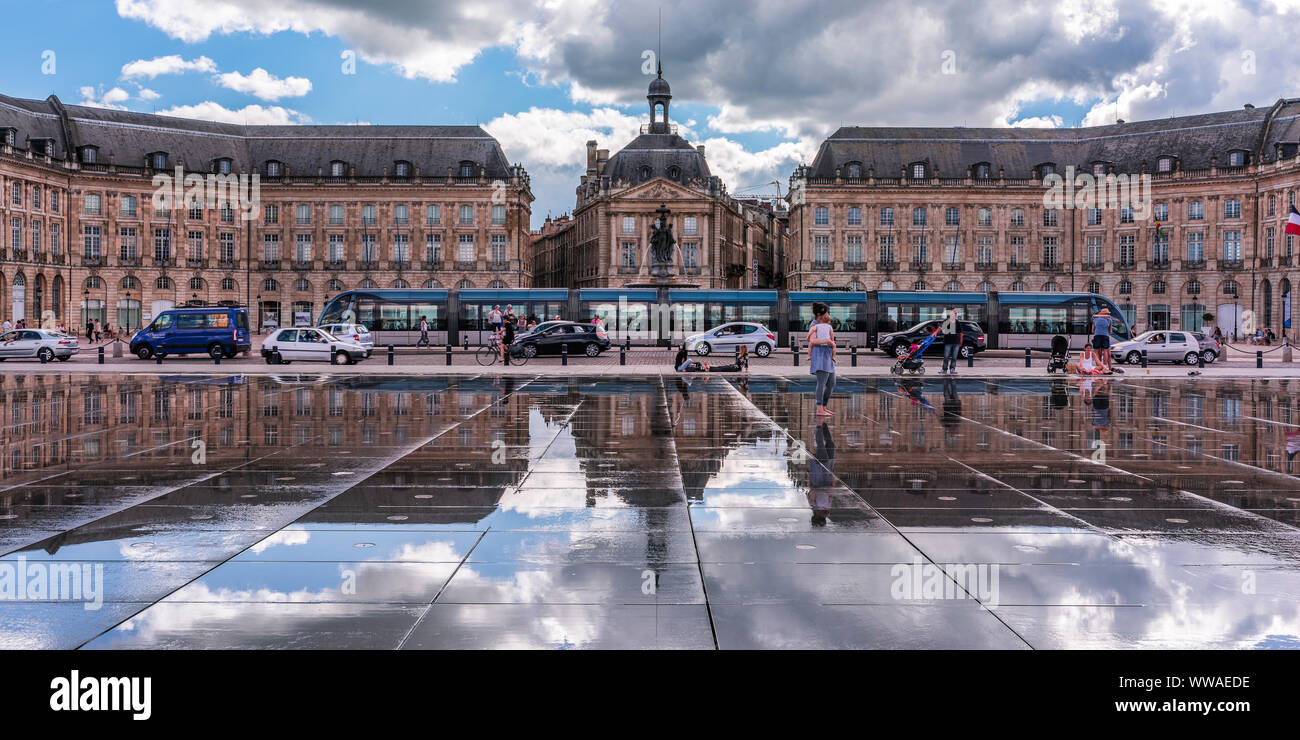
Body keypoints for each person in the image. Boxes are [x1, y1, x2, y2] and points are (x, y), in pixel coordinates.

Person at [808, 302, 836, 417]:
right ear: (819, 314)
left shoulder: (826, 324)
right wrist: (827, 341)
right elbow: (812, 340)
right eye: (826, 313)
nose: (828, 315)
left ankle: (824, 406)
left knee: (831, 383)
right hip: (819, 357)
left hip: (828, 356)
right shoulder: (814, 325)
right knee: (821, 383)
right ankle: (819, 409)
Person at [939, 306, 960, 375]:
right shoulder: (946, 321)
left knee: (954, 357)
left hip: (956, 342)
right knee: (946, 356)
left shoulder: (957, 322)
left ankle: (952, 369)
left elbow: (960, 332)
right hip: (948, 342)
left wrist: (961, 341)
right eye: (954, 312)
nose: (955, 314)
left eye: (956, 313)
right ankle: (944, 369)